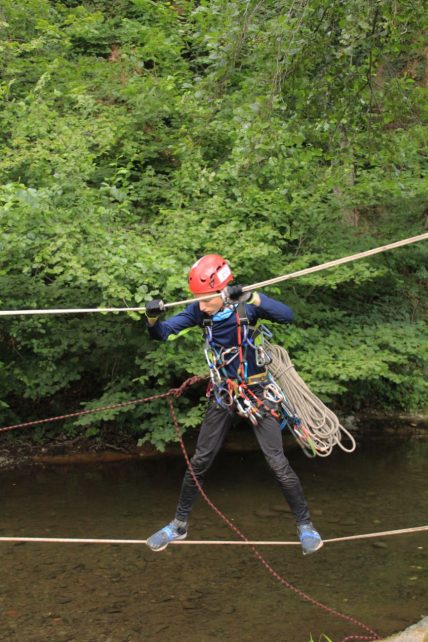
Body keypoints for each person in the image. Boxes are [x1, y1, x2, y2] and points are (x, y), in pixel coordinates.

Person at [145, 254, 323, 555]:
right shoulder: (198, 313)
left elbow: (287, 316)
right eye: (197, 300)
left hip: (257, 393)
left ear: (222, 291)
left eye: (206, 299)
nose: (201, 305)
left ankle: (305, 526)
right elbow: (161, 334)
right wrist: (152, 317)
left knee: (277, 462)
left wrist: (253, 297)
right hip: (224, 394)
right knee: (200, 460)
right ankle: (179, 525)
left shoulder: (245, 308)